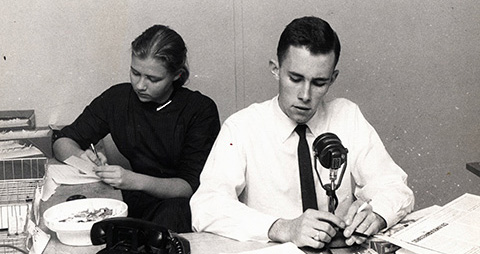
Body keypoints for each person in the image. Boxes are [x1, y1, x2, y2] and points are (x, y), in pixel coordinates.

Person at [190, 16, 414, 249]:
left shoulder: (347, 116)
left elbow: (395, 187)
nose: (305, 95)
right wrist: (282, 227)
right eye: (295, 79)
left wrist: (376, 215)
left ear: (333, 79)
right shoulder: (242, 127)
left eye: (319, 83)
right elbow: (206, 205)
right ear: (275, 69)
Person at [52, 24, 220, 233]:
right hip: (136, 196)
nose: (140, 85)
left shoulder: (199, 110)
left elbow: (188, 187)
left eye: (153, 79)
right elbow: (62, 140)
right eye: (135, 72)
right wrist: (81, 156)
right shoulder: (117, 99)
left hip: (179, 206)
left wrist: (131, 179)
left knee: (173, 214)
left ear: (176, 75)